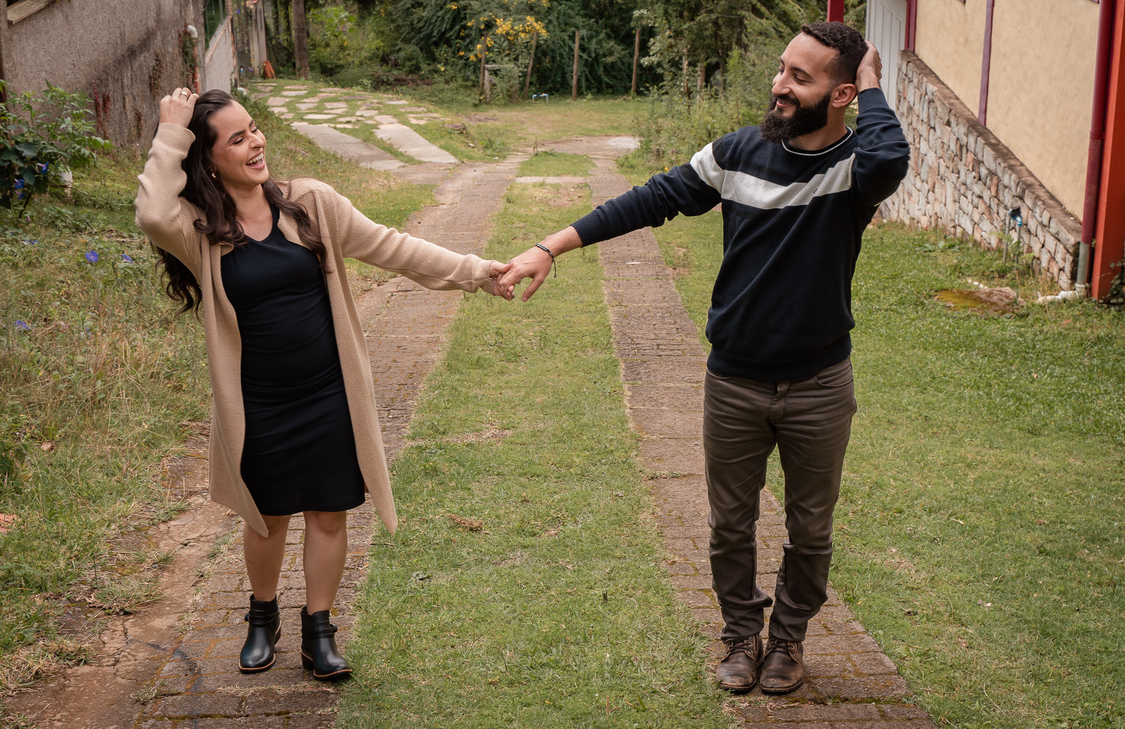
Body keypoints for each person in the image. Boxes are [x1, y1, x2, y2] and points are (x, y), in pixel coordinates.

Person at [498, 22, 909, 694]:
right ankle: (742, 637)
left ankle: (789, 642)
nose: (778, 86)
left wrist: (870, 83)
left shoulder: (856, 169)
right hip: (735, 382)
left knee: (810, 529)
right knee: (729, 526)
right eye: (781, 69)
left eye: (799, 79)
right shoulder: (738, 153)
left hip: (819, 385)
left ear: (841, 96)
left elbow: (890, 157)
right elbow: (652, 197)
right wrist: (550, 246)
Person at [136, 88, 509, 682]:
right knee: (267, 518)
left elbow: (393, 247)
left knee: (329, 514)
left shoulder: (310, 202)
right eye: (237, 138)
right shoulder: (198, 228)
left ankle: (319, 631)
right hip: (256, 403)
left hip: (327, 394)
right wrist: (171, 131)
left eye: (254, 129)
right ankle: (263, 616)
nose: (256, 143)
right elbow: (152, 212)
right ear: (208, 159)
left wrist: (474, 272)